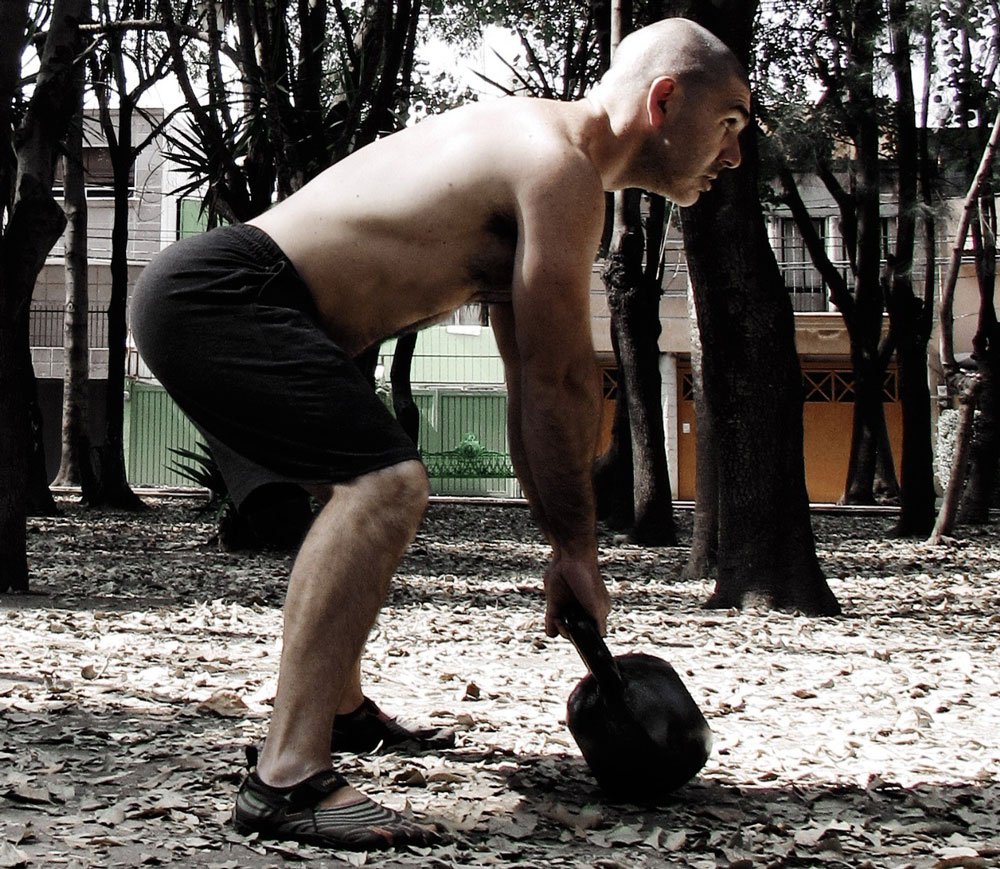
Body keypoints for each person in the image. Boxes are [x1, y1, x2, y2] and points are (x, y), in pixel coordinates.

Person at [131, 16, 750, 851]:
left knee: (350, 491)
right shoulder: (558, 166)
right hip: (229, 296)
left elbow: (530, 377)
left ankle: (340, 711)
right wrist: (576, 549)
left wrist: (562, 539)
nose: (734, 154)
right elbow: (563, 379)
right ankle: (285, 778)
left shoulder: (535, 151)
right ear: (664, 99)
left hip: (260, 308)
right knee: (385, 484)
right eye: (732, 123)